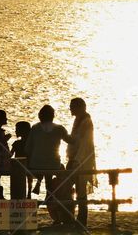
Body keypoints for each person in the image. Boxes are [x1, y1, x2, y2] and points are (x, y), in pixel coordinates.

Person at [24, 105, 70, 196]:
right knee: (60, 168)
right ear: (52, 116)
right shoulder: (59, 128)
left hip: (36, 164)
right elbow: (70, 140)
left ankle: (34, 189)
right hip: (53, 164)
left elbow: (27, 148)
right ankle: (53, 194)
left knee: (42, 165)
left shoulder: (35, 128)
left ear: (40, 116)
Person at [66, 97, 96, 226]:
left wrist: (78, 160)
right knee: (70, 187)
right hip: (75, 159)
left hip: (80, 161)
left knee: (80, 189)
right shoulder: (79, 121)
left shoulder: (86, 122)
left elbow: (85, 143)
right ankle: (73, 215)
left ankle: (81, 218)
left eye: (73, 106)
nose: (70, 109)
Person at [10, 121, 33, 194]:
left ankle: (23, 193)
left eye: (17, 129)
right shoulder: (31, 143)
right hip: (29, 165)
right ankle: (29, 193)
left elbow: (10, 154)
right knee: (29, 179)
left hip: (18, 166)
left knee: (19, 181)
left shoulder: (17, 143)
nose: (15, 131)